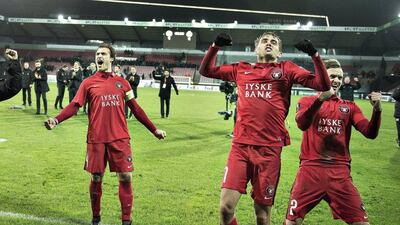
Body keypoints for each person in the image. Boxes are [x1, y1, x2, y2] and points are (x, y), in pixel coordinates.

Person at [199, 32, 331, 225]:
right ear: (256, 49)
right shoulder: (241, 69)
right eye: (264, 41)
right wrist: (215, 46)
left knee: (262, 216)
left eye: (274, 42)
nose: (269, 43)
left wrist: (314, 55)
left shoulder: (287, 69)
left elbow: (323, 84)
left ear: (279, 51)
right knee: (226, 208)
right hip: (240, 148)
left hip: (269, 151)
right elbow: (206, 71)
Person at [44, 43, 166, 225]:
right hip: (96, 139)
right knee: (96, 177)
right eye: (97, 54)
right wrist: (56, 120)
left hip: (120, 138)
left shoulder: (123, 83)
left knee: (125, 177)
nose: (99, 56)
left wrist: (154, 129)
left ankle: (126, 220)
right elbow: (74, 106)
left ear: (111, 58)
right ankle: (96, 218)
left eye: (103, 54)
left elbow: (136, 109)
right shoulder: (88, 83)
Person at [284, 59, 381, 225]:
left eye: (339, 77)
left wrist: (377, 110)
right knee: (291, 223)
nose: (336, 80)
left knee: (362, 223)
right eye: (332, 76)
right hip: (310, 170)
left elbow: (369, 132)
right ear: (322, 78)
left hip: (340, 173)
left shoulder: (350, 107)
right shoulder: (306, 102)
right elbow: (302, 123)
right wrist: (320, 99)